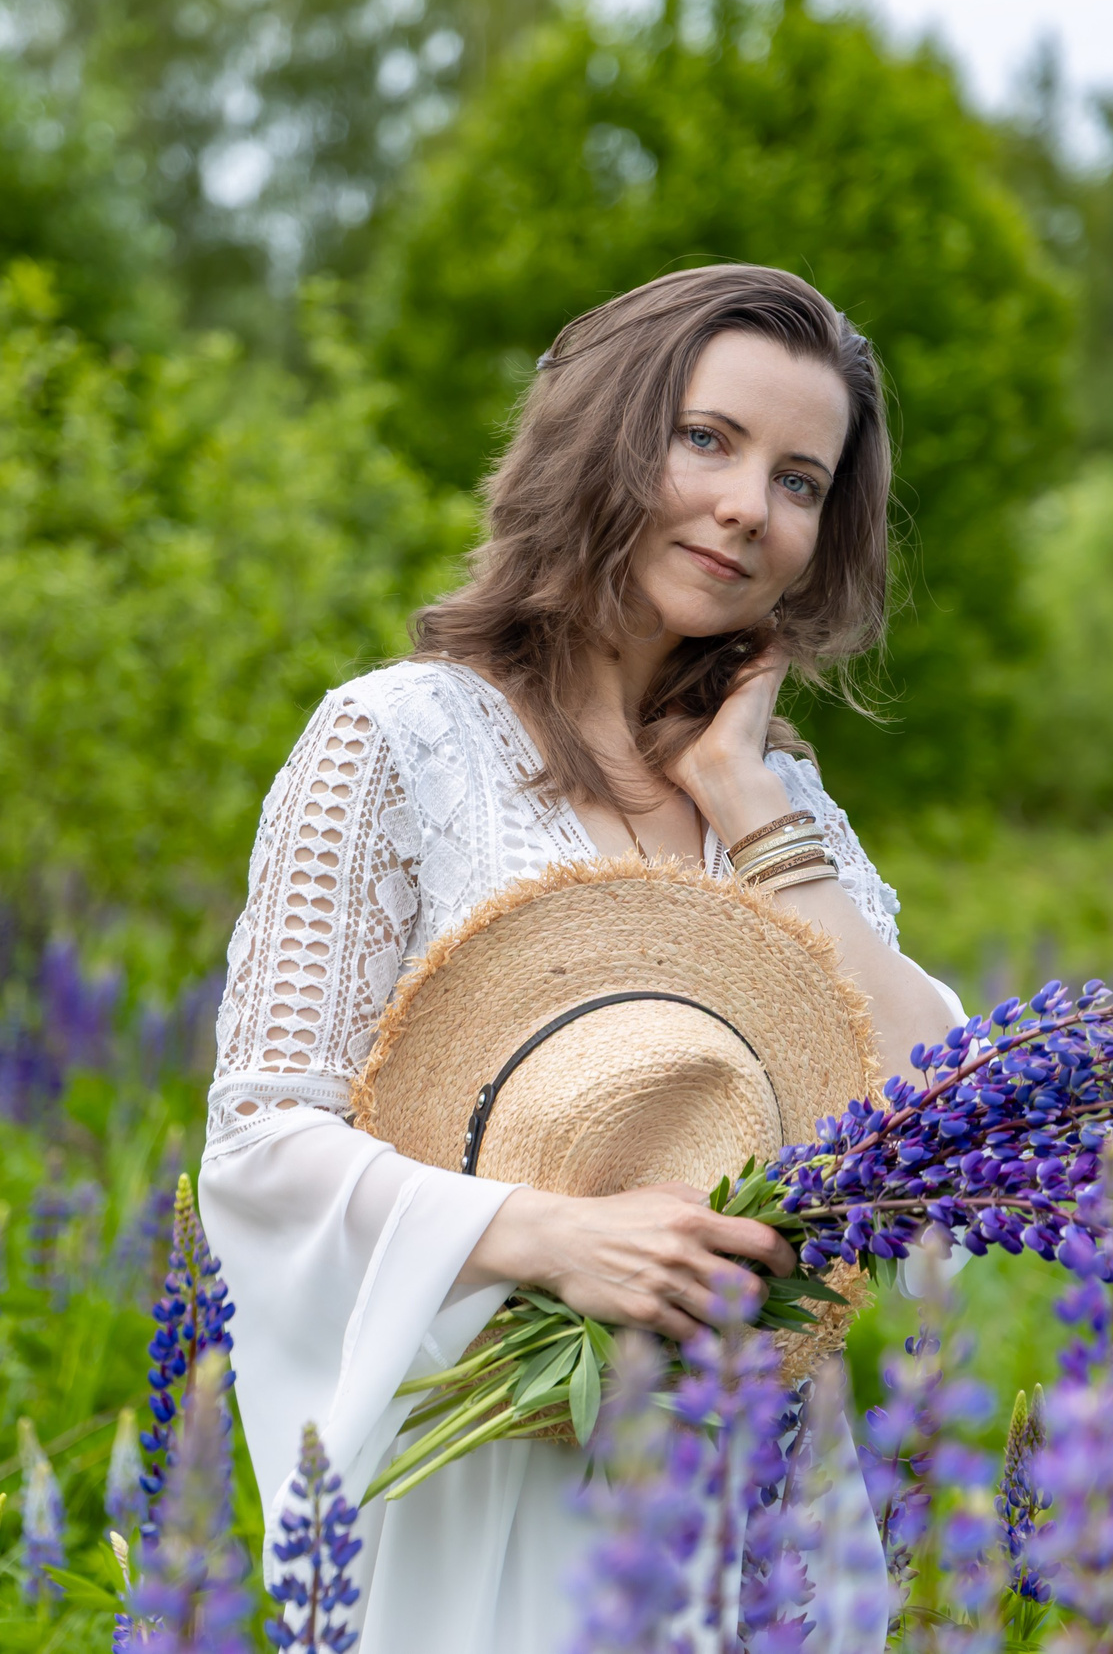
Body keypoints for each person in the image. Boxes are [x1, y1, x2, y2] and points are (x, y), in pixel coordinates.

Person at [197, 264, 968, 1651]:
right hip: (499, 1475)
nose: (750, 507)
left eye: (800, 481)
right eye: (708, 439)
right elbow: (264, 1142)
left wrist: (752, 809)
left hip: (758, 1494)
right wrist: (554, 1239)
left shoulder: (776, 798)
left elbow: (945, 1116)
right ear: (606, 436)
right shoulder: (397, 741)